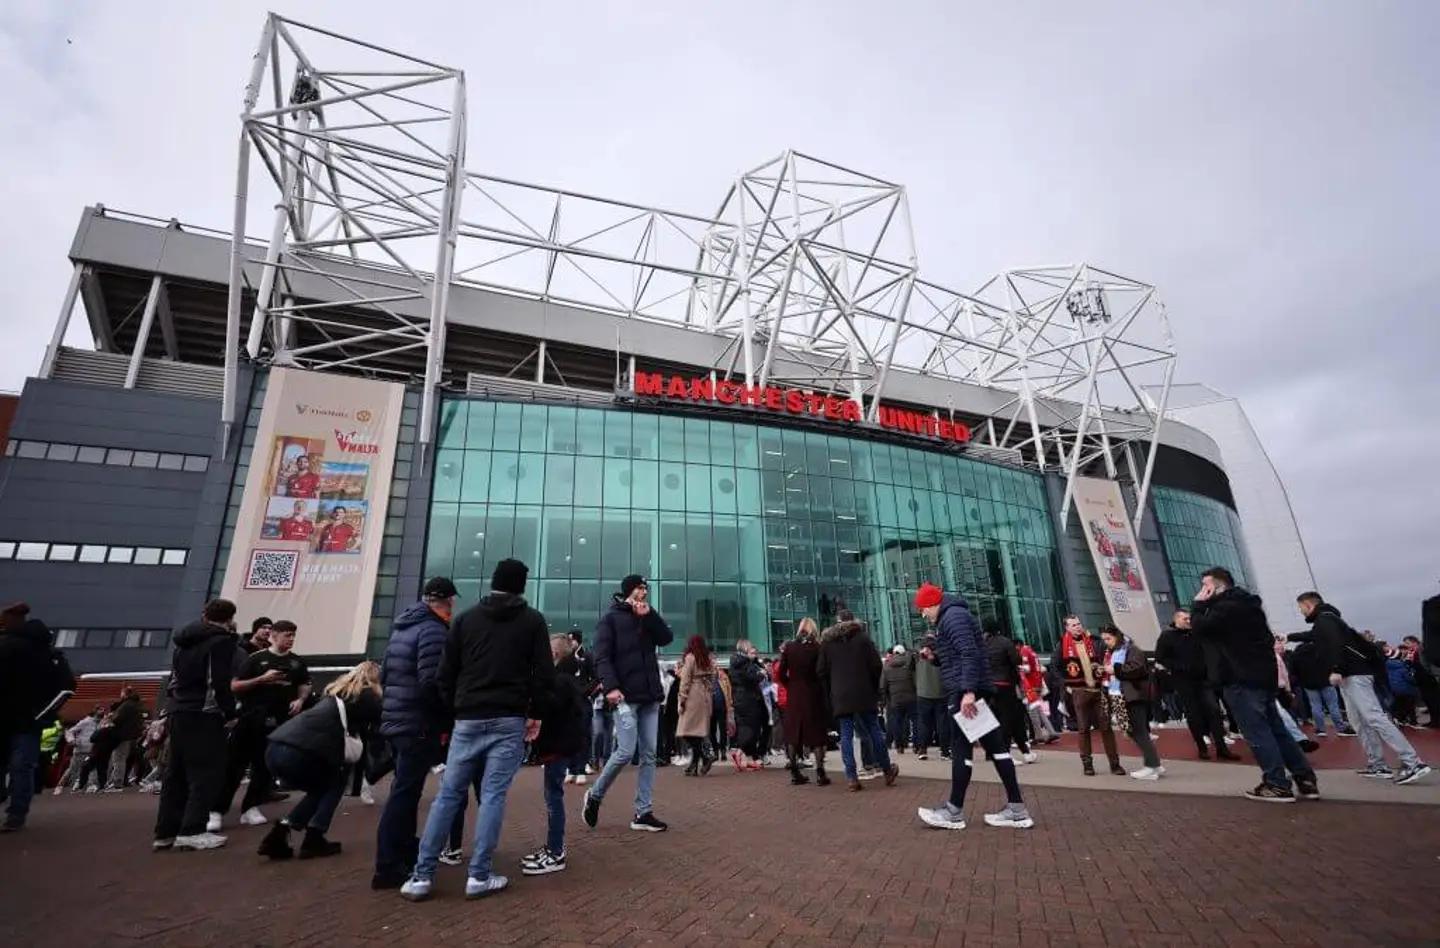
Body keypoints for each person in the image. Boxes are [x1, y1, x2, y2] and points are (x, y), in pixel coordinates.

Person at [401, 559, 553, 901]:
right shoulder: (532, 621)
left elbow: (445, 673)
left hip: (468, 717)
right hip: (509, 717)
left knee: (448, 795)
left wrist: (455, 708)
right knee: (493, 795)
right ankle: (479, 875)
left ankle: (421, 876)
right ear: (521, 586)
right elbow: (544, 674)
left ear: (493, 582)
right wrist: (536, 714)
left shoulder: (466, 619)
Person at [1190, 569, 1319, 803]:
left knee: (1258, 732)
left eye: (1205, 586)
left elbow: (1199, 628)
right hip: (1262, 677)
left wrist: (1198, 604)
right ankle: (1305, 778)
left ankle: (1277, 783)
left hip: (1239, 678)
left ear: (1218, 587)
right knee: (1277, 730)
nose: (1202, 591)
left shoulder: (1224, 609)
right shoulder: (1250, 607)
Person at [913, 583, 1031, 831]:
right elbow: (961, 654)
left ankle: (955, 811)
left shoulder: (952, 618)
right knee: (993, 747)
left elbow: (968, 653)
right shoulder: (955, 616)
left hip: (965, 691)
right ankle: (1015, 808)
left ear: (933, 604)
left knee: (962, 748)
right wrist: (936, 658)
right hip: (970, 688)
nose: (924, 615)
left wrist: (967, 691)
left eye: (923, 609)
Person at [372, 577, 458, 890]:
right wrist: (445, 719)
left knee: (405, 790)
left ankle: (405, 851)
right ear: (447, 601)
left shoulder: (402, 628)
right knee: (405, 794)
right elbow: (432, 682)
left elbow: (385, 675)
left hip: (397, 719)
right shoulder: (433, 630)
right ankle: (388, 864)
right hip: (417, 723)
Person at [1296, 592, 1429, 785]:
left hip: (1354, 674)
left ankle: (1413, 762)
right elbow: (1313, 636)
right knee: (1359, 721)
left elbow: (1335, 644)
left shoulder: (1325, 620)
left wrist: (1337, 668)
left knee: (1373, 717)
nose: (1300, 611)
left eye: (1301, 607)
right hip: (1351, 675)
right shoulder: (1326, 621)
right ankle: (1378, 764)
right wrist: (1289, 636)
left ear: (1308, 605)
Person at [258, 662, 382, 860]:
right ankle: (313, 836)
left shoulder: (334, 693)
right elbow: (381, 723)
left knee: (321, 788)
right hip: (301, 752)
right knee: (335, 783)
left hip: (276, 747)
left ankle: (282, 832)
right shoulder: (367, 696)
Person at [583, 574, 674, 833]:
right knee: (624, 751)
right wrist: (610, 687)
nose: (643, 592)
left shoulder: (647, 616)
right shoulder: (610, 619)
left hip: (650, 695)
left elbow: (666, 638)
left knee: (649, 754)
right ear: (627, 591)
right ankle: (595, 795)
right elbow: (601, 656)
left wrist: (650, 616)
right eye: (639, 588)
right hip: (625, 696)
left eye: (645, 588)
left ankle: (643, 812)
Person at [154, 599, 240, 851]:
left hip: (179, 711)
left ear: (205, 615)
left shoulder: (183, 642)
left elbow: (174, 680)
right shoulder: (221, 641)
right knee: (206, 773)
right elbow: (218, 682)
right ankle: (192, 830)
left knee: (176, 774)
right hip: (204, 713)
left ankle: (165, 832)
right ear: (230, 618)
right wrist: (229, 712)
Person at [213, 619, 311, 830]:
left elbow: (304, 684)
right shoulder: (255, 659)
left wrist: (300, 700)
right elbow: (235, 685)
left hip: (278, 722)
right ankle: (216, 810)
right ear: (273, 636)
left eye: (293, 635)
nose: (291, 639)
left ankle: (251, 807)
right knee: (234, 765)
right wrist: (261, 680)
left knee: (265, 767)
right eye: (287, 635)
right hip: (250, 719)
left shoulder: (297, 662)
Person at [517, 635, 590, 877]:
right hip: (558, 745)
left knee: (553, 798)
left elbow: (550, 708)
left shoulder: (559, 681)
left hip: (557, 746)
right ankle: (552, 847)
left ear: (555, 654)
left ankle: (556, 850)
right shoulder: (565, 679)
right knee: (552, 797)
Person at [1, 607, 75, 831]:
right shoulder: (48, 652)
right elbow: (67, 686)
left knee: (18, 765)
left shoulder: (8, 646)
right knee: (22, 766)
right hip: (29, 721)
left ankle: (14, 811)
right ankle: (16, 814)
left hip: (13, 718)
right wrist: (45, 712)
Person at [817, 609, 897, 792]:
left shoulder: (828, 642)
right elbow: (876, 666)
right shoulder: (863, 639)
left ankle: (852, 777)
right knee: (874, 730)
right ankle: (887, 770)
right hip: (864, 692)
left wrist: (831, 690)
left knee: (846, 735)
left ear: (837, 622)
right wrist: (873, 686)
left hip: (840, 694)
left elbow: (821, 671)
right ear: (853, 620)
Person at [1156, 609, 1239, 760]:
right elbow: (1160, 657)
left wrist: (1210, 669)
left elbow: (1208, 651)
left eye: (1189, 618)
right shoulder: (1167, 636)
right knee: (1193, 714)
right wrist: (1178, 667)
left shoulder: (1196, 634)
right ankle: (1202, 747)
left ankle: (1221, 747)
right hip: (1183, 681)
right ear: (1176, 619)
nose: (1188, 621)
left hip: (1203, 679)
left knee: (1214, 711)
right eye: (1185, 619)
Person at [1058, 616, 1124, 777]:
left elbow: (1106, 656)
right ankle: (1087, 764)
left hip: (1098, 689)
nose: (1077, 627)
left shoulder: (1093, 641)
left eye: (1078, 623)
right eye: (1073, 625)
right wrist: (1066, 684)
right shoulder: (1062, 645)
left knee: (1106, 727)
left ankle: (1115, 764)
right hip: (1079, 691)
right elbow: (1055, 667)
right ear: (1067, 628)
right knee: (1083, 729)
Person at [1098, 626, 1164, 780]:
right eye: (1104, 639)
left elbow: (1137, 669)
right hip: (1122, 695)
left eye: (1108, 638)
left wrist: (1115, 669)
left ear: (1116, 636)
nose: (1106, 642)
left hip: (1132, 695)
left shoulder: (1131, 650)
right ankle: (1154, 763)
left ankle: (1151, 765)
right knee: (1134, 731)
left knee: (1139, 731)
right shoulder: (1115, 651)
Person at [777, 618, 831, 786]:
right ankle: (820, 772)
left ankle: (794, 771)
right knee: (817, 734)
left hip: (794, 694)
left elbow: (780, 674)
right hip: (813, 694)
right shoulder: (817, 648)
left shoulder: (790, 647)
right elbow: (822, 672)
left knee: (793, 733)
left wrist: (791, 684)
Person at [1285, 611, 1354, 739]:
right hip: (1325, 680)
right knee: (1333, 705)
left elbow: (1293, 669)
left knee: (1316, 706)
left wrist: (1301, 679)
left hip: (1308, 683)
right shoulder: (1320, 649)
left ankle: (1320, 729)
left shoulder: (1297, 653)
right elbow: (1330, 661)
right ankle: (1340, 727)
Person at [982, 619, 1034, 763]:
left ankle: (991, 751)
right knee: (1008, 719)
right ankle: (1006, 752)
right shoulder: (1005, 642)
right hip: (1005, 684)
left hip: (988, 686)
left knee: (993, 719)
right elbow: (1016, 660)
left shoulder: (983, 644)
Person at [556, 631, 597, 784]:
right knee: (568, 735)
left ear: (578, 641)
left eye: (572, 640)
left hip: (582, 701)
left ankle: (580, 769)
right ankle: (571, 769)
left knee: (583, 735)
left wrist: (585, 692)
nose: (570, 643)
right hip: (567, 702)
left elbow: (596, 678)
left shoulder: (587, 656)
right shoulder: (564, 657)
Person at [676, 635, 718, 776]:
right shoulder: (707, 659)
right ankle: (695, 763)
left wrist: (682, 699)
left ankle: (704, 756)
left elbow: (685, 680)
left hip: (692, 696)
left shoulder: (690, 658)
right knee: (698, 731)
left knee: (685, 730)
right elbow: (713, 677)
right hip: (705, 695)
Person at [728, 640, 769, 771]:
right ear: (745, 648)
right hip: (749, 699)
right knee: (752, 728)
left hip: (739, 698)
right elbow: (752, 678)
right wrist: (762, 674)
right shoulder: (745, 663)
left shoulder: (735, 663)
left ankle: (750, 757)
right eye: (750, 648)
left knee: (746, 727)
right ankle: (739, 752)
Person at [913, 633, 950, 761]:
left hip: (923, 693)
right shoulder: (942, 653)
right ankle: (945, 751)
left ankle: (922, 749)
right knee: (943, 723)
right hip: (941, 692)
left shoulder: (917, 655)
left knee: (923, 723)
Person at [1016, 636, 1058, 745]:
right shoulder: (1032, 652)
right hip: (1037, 683)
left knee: (1032, 711)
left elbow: (1027, 668)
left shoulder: (1024, 651)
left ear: (1018, 645)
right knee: (1039, 710)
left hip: (1030, 685)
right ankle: (1051, 732)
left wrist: (1017, 667)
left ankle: (1038, 735)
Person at [880, 645, 918, 755]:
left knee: (896, 722)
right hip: (911, 698)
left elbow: (883, 685)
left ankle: (899, 746)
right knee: (915, 721)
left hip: (895, 699)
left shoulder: (887, 666)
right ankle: (917, 745)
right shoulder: (909, 664)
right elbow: (915, 681)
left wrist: (886, 698)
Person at [105, 688, 145, 791]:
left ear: (125, 694)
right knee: (128, 759)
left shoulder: (125, 705)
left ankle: (117, 782)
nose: (120, 695)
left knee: (119, 759)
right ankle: (124, 779)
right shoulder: (138, 705)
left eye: (121, 693)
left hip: (123, 736)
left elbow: (117, 719)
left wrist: (111, 717)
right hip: (134, 737)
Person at [58, 707, 102, 793]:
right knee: (72, 769)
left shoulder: (99, 723)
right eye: (100, 710)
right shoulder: (85, 722)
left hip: (91, 750)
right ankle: (60, 785)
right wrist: (71, 741)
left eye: (103, 710)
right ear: (95, 712)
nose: (103, 711)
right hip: (80, 750)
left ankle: (90, 785)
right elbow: (69, 731)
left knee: (92, 768)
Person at [1400, 635, 1440, 729]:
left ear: (1414, 642)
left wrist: (1434, 675)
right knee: (1428, 700)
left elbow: (1428, 663)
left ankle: (1437, 721)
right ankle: (1434, 720)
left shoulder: (1421, 650)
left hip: (1428, 678)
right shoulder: (1411, 653)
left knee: (1433, 700)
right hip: (1420, 680)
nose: (1406, 645)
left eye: (1407, 643)